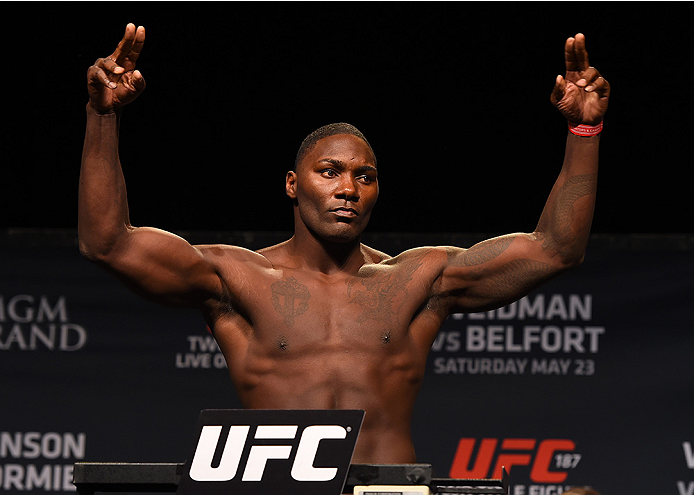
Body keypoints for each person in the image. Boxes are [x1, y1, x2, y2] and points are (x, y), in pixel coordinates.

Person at [80, 24, 609, 467]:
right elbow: (107, 243)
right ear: (293, 184)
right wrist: (103, 117)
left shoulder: (417, 280)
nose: (348, 189)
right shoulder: (235, 278)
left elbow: (555, 249)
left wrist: (584, 133)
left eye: (365, 176)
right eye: (329, 172)